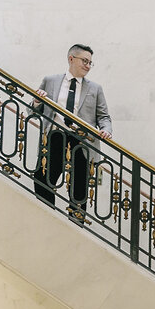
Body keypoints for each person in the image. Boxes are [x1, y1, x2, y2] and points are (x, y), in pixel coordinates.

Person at [33, 44, 113, 222]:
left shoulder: (95, 88)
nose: (88, 66)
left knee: (79, 188)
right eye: (84, 61)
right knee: (43, 178)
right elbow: (33, 111)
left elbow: (104, 117)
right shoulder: (50, 80)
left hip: (82, 142)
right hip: (54, 137)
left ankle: (76, 225)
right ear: (71, 59)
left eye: (90, 63)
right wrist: (37, 102)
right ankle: (48, 219)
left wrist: (106, 130)